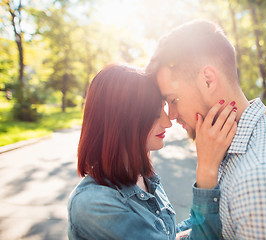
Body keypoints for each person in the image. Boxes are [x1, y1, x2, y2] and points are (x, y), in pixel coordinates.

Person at [146, 20, 266, 239]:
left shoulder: (265, 179)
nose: (171, 115)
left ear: (208, 80)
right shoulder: (229, 148)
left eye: (173, 99)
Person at [67, 63, 238, 240]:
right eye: (155, 115)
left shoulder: (142, 177)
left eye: (163, 108)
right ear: (122, 121)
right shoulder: (94, 204)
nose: (167, 122)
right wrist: (207, 169)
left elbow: (166, 235)